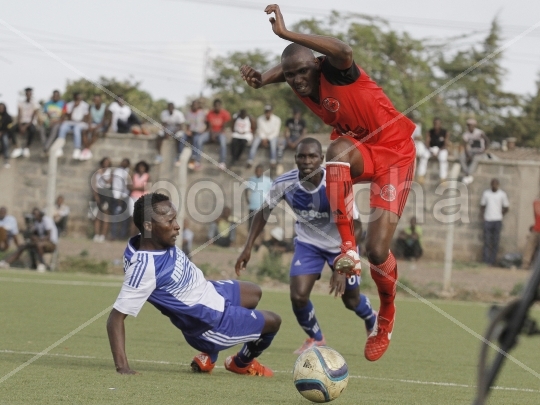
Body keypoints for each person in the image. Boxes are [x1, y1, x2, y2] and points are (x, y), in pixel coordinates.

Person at [240, 4, 416, 361]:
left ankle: (385, 317)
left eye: (303, 71)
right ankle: (347, 249)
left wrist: (285, 34)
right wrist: (263, 79)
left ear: (317, 65)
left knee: (377, 251)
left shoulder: (336, 72)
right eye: (290, 76)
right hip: (362, 151)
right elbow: (292, 66)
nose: (297, 80)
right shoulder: (300, 81)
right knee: (335, 149)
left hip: (395, 153)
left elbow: (344, 50)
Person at [106, 193, 280, 376]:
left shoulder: (153, 239)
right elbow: (115, 318)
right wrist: (122, 368)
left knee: (254, 292)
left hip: (212, 291)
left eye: (175, 219)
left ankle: (208, 358)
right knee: (274, 321)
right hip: (211, 323)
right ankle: (241, 363)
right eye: (170, 221)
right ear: (148, 226)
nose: (177, 226)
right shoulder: (145, 268)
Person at [236, 138, 376, 353]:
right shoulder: (284, 183)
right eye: (302, 156)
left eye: (312, 156)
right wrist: (248, 247)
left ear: (322, 159)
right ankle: (316, 338)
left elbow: (356, 226)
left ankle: (371, 317)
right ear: (295, 159)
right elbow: (263, 212)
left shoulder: (337, 182)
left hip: (341, 244)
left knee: (351, 300)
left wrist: (343, 264)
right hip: (308, 243)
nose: (307, 161)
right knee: (298, 296)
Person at [0, 208, 57, 272]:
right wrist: (26, 232)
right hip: (40, 241)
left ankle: (42, 264)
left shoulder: (46, 220)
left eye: (35, 215)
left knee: (39, 245)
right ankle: (6, 262)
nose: (34, 216)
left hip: (51, 243)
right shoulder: (36, 222)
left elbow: (49, 236)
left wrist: (38, 239)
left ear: (40, 214)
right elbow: (33, 234)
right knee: (23, 246)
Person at [480, 179, 509, 266]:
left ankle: (492, 261)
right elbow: (482, 206)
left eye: (496, 184)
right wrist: (483, 215)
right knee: (487, 241)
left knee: (495, 242)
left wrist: (500, 214)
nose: (494, 186)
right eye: (493, 184)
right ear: (491, 185)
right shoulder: (486, 194)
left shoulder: (502, 194)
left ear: (498, 185)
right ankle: (486, 261)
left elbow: (506, 207)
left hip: (497, 220)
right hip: (488, 220)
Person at [195, 99, 230, 170]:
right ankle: (197, 162)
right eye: (215, 106)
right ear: (214, 106)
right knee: (199, 140)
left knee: (223, 142)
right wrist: (212, 135)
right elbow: (210, 126)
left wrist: (216, 134)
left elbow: (223, 127)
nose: (217, 107)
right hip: (211, 132)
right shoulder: (210, 113)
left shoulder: (225, 113)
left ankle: (222, 162)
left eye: (218, 106)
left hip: (220, 133)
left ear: (220, 106)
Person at [245, 164, 272, 250]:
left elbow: (272, 191)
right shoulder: (252, 179)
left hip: (262, 207)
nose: (258, 172)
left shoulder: (267, 180)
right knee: (251, 226)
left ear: (262, 172)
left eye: (260, 171)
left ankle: (260, 245)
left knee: (261, 226)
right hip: (252, 206)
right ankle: (251, 244)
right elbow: (246, 189)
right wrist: (247, 199)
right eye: (257, 171)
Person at [56, 92, 90, 160]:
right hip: (71, 122)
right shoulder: (70, 104)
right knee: (63, 127)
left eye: (80, 98)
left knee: (76, 129)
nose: (79, 100)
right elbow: (69, 117)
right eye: (77, 98)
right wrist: (74, 108)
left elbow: (85, 118)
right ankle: (59, 148)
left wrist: (78, 121)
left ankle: (77, 149)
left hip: (81, 123)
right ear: (74, 98)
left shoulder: (85, 105)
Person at [247, 105, 282, 169]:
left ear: (271, 112)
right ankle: (250, 160)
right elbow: (259, 130)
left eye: (269, 112)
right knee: (254, 143)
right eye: (266, 112)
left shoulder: (277, 119)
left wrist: (267, 139)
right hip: (262, 136)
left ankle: (273, 161)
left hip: (272, 137)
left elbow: (276, 132)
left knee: (273, 144)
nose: (268, 113)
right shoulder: (260, 119)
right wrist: (263, 138)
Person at [416, 118, 450, 184]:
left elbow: (445, 144)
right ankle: (421, 176)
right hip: (431, 149)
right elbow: (427, 143)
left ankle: (443, 178)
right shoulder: (430, 132)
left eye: (438, 124)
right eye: (435, 124)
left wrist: (438, 152)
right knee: (424, 156)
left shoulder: (445, 132)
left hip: (441, 149)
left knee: (443, 159)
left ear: (440, 124)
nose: (436, 125)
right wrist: (431, 151)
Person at [11, 87, 39, 159]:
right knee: (12, 129)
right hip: (22, 122)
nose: (28, 94)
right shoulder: (21, 103)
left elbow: (33, 117)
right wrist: (20, 126)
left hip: (30, 123)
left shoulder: (35, 104)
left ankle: (27, 148)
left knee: (32, 130)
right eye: (27, 93)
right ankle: (17, 148)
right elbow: (19, 115)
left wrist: (25, 127)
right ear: (25, 94)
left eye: (30, 93)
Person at [460, 118, 490, 185]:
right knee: (462, 156)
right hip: (471, 151)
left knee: (476, 158)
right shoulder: (466, 134)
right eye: (469, 125)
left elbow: (487, 141)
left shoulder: (479, 132)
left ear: (474, 126)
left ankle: (469, 174)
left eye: (471, 125)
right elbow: (465, 145)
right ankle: (466, 172)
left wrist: (484, 150)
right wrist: (468, 155)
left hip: (480, 151)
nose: (470, 127)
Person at [80, 94, 108, 161]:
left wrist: (96, 127)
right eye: (94, 100)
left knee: (95, 132)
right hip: (93, 124)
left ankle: (87, 148)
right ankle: (87, 149)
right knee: (84, 131)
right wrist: (90, 126)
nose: (95, 101)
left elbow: (104, 121)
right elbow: (89, 118)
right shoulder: (91, 107)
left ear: (100, 100)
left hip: (101, 125)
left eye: (97, 100)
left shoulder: (105, 107)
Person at [179, 100, 206, 169]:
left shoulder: (202, 113)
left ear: (198, 106)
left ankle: (195, 159)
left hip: (198, 132)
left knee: (196, 140)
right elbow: (187, 124)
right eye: (193, 105)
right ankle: (180, 157)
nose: (195, 106)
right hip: (190, 132)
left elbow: (204, 124)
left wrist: (202, 130)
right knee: (182, 138)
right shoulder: (189, 113)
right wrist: (188, 131)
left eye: (196, 105)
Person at [92, 157, 113, 242]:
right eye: (104, 162)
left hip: (106, 193)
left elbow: (108, 182)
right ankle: (96, 234)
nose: (106, 164)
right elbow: (94, 184)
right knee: (97, 215)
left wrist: (101, 175)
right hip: (98, 192)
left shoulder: (110, 172)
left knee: (105, 215)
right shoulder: (97, 172)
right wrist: (96, 195)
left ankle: (103, 235)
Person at [111, 158, 131, 240]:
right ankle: (114, 235)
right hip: (116, 195)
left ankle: (123, 235)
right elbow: (115, 184)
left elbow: (128, 184)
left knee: (125, 216)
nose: (124, 164)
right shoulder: (117, 171)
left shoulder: (130, 171)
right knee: (115, 215)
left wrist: (123, 195)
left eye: (126, 163)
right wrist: (118, 196)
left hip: (126, 195)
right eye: (123, 162)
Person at [128, 161, 150, 235]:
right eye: (140, 167)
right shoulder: (134, 175)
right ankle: (131, 236)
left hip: (142, 198)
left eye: (143, 167)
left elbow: (145, 188)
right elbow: (129, 186)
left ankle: (139, 235)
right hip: (133, 197)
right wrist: (139, 188)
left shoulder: (147, 176)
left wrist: (134, 187)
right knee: (133, 218)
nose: (141, 168)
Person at [522, 197, 540, 270]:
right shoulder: (536, 202)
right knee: (529, 247)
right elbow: (537, 214)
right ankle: (526, 265)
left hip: (536, 228)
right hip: (536, 229)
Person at [0, 103, 14, 168]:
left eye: (2, 108)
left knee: (5, 142)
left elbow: (9, 127)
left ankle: (6, 159)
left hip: (5, 133)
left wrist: (2, 132)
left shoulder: (8, 117)